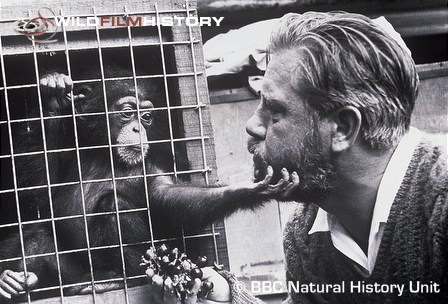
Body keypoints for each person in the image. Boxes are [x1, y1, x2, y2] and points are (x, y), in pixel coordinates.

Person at [148, 11, 447, 304]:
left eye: (274, 111)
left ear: (342, 128)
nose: (252, 125)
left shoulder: (441, 200)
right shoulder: (305, 233)